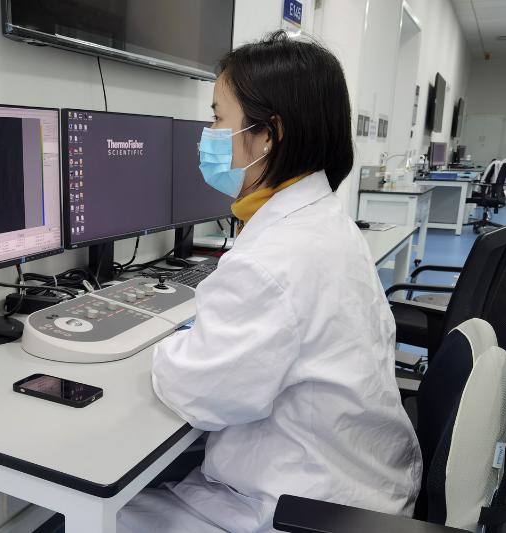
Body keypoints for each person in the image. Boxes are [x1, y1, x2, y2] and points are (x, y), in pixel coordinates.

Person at [117, 31, 422, 533]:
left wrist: (162, 348)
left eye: (218, 118)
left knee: (93, 515)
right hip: (361, 481)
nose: (209, 134)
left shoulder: (275, 257)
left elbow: (202, 393)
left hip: (301, 508)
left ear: (268, 134)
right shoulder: (322, 220)